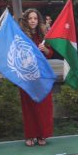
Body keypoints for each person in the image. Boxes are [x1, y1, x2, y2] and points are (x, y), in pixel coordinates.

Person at [20, 8, 54, 147]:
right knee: (28, 107)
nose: (33, 21)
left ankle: (42, 134)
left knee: (43, 106)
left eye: (35, 18)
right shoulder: (21, 36)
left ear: (38, 20)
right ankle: (30, 135)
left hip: (42, 76)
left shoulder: (44, 35)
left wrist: (44, 49)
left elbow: (50, 53)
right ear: (26, 21)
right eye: (30, 18)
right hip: (27, 76)